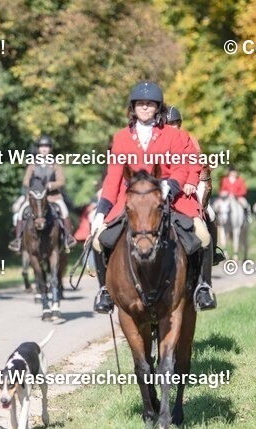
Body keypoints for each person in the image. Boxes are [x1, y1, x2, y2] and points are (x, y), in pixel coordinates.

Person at [89, 81, 214, 313]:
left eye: (150, 104)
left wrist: (170, 187)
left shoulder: (173, 135)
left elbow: (180, 168)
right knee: (98, 239)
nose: (145, 108)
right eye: (140, 104)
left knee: (204, 236)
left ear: (158, 107)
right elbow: (113, 177)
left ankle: (202, 287)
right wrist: (100, 212)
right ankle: (105, 291)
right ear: (133, 107)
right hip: (134, 200)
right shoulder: (121, 138)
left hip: (171, 197)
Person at [167, 104, 221, 301]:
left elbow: (196, 163)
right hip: (164, 193)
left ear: (180, 124)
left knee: (209, 222)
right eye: (167, 123)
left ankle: (204, 285)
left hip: (189, 188)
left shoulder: (189, 139)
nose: (171, 126)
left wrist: (191, 182)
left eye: (174, 123)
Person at [8, 135, 77, 252]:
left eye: (46, 146)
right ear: (38, 149)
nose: (44, 149)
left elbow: (61, 181)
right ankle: (18, 240)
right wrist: (33, 186)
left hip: (52, 197)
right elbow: (25, 181)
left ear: (50, 149)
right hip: (35, 198)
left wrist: (51, 185)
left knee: (64, 211)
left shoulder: (56, 164)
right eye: (41, 146)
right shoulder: (32, 165)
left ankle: (68, 238)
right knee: (20, 213)